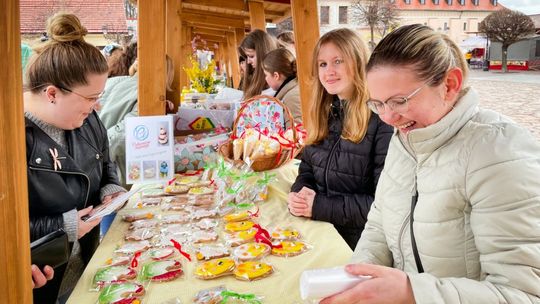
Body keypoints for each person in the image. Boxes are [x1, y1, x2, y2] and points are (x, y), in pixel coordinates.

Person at [321, 24, 540, 304]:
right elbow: (378, 224)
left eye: (399, 101)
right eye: (377, 104)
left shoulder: (499, 153)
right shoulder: (405, 140)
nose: (388, 118)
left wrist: (412, 292)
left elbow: (524, 294)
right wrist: (359, 277)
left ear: (449, 85)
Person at [24, 13, 125, 303]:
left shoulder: (88, 120)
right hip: (39, 286)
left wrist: (111, 190)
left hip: (84, 271)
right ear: (52, 93)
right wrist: (62, 225)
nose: (97, 106)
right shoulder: (10, 138)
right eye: (91, 97)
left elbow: (105, 164)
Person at [287, 28, 393, 250]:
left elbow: (383, 205)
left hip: (358, 245)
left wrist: (318, 206)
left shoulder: (381, 120)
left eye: (338, 61)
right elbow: (307, 169)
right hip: (321, 233)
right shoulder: (324, 113)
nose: (329, 71)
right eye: (322, 64)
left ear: (358, 62)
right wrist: (299, 193)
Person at [262, 48, 302, 128]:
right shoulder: (290, 92)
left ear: (276, 76)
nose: (265, 78)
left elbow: (296, 134)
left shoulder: (291, 97)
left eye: (266, 75)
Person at [240, 29, 279, 99]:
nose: (248, 62)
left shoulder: (274, 79)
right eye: (246, 57)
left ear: (262, 53)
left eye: (251, 56)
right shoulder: (253, 75)